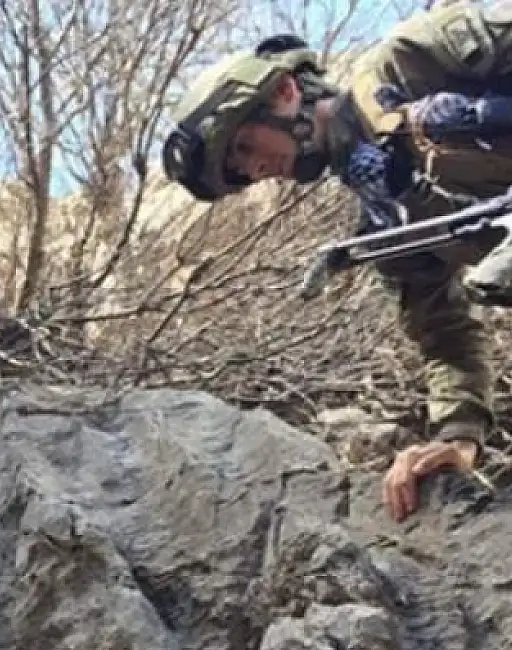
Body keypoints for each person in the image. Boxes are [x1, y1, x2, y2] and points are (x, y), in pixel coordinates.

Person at [160, 2, 512, 523]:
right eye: (242, 171)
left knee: (438, 121)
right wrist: (457, 437)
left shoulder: (409, 59)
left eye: (245, 146)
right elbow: (446, 333)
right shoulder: (388, 220)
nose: (256, 169)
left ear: (284, 92)